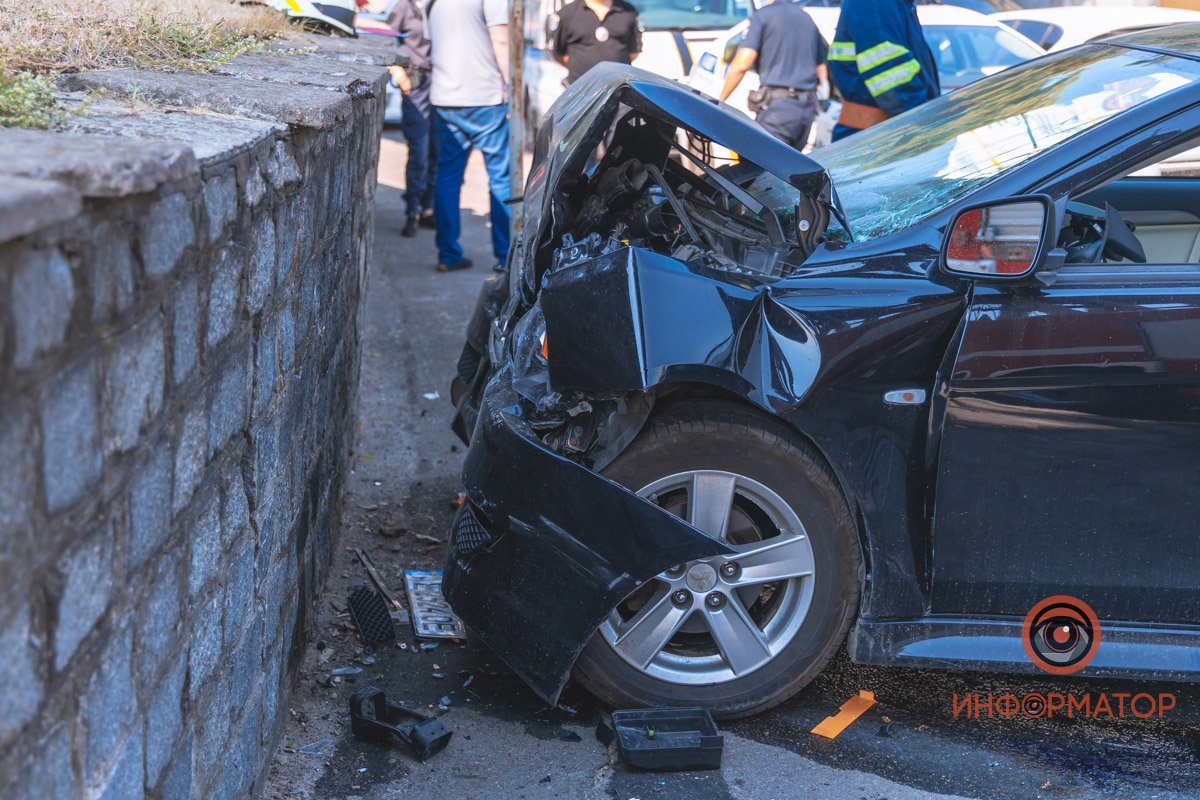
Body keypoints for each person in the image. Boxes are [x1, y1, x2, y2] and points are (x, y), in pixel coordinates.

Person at [427, 0, 511, 272]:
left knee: (448, 179)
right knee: (500, 179)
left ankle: (448, 254)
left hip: (445, 97)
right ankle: (505, 256)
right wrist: (513, 87)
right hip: (484, 97)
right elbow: (500, 40)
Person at [718, 0, 827, 151]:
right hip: (807, 111)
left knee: (757, 164)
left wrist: (720, 101)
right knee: (788, 169)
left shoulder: (763, 16)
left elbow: (741, 65)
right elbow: (822, 71)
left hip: (779, 111)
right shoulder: (806, 18)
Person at [827, 0, 938, 141]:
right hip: (877, 141)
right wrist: (930, 125)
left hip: (876, 138)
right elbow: (895, 83)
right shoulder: (876, 4)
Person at [387, 0, 436, 237]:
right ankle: (412, 210)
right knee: (420, 151)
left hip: (442, 83)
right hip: (416, 83)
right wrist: (400, 75)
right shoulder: (405, 6)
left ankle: (429, 208)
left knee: (437, 150)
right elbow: (387, 39)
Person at [550, 0, 642, 86]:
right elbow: (559, 54)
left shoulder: (629, 12)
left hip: (619, 90)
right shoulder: (567, 13)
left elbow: (633, 52)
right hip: (579, 90)